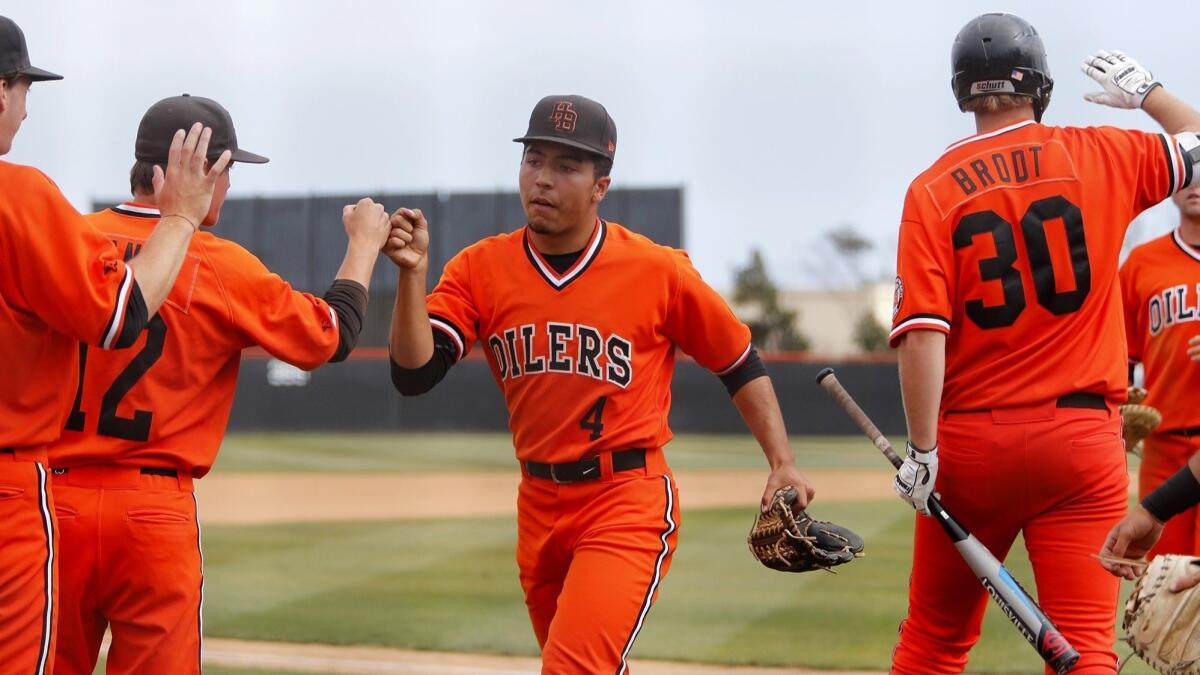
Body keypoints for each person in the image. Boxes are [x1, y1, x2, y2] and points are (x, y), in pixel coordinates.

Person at [386, 94, 813, 673]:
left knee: (572, 667)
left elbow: (737, 360)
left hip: (626, 498)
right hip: (537, 503)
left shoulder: (657, 270)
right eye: (534, 160)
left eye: (567, 166)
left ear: (600, 187)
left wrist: (781, 461)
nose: (543, 179)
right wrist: (413, 277)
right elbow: (415, 373)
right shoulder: (478, 270)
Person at [888, 13, 1200, 673]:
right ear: (1041, 86)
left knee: (933, 643)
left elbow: (921, 334)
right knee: (1087, 647)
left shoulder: (931, 190)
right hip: (1081, 441)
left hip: (973, 444)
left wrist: (921, 450)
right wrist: (1148, 92)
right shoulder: (1101, 152)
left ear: (962, 90)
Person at [45, 94, 391, 675]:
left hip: (53, 504)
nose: (228, 187)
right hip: (154, 515)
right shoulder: (220, 264)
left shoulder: (69, 239)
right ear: (198, 170)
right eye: (227, 170)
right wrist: (362, 246)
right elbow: (329, 337)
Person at [0, 16, 232, 674]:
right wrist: (182, 216)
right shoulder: (18, 195)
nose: (23, 105)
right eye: (22, 88)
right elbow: (120, 313)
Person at [1118, 183, 1200, 558]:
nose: (1196, 185)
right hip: (1164, 444)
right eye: (1189, 175)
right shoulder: (1141, 262)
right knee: (1159, 589)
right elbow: (1119, 357)